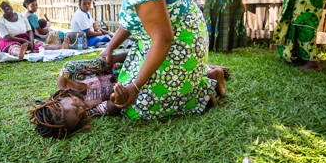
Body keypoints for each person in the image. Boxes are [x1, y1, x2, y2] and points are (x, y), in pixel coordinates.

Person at [29, 55, 227, 139]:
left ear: (57, 101)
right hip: (130, 83)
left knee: (153, 68)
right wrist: (118, 100)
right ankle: (207, 78)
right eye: (80, 118)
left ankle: (208, 71)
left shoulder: (68, 74)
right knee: (147, 95)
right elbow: (111, 107)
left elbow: (105, 61)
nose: (82, 110)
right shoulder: (89, 112)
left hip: (126, 65)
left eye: (75, 108)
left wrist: (138, 56)